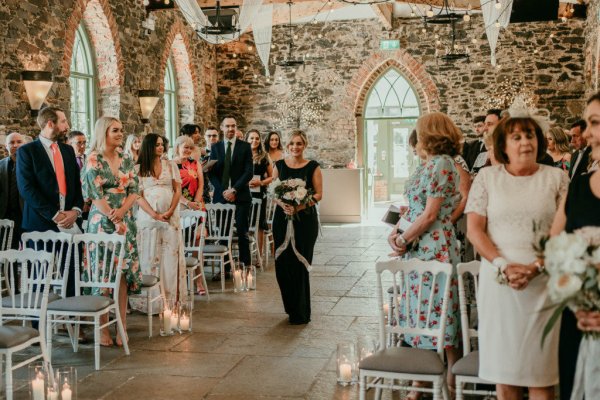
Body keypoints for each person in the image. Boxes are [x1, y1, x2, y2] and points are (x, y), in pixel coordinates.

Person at [465, 111, 569, 400]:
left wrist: (537, 266)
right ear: (503, 145)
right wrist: (503, 265)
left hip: (543, 283)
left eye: (530, 135)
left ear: (540, 141)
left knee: (541, 376)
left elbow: (562, 230)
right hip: (499, 282)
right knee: (505, 376)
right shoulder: (487, 178)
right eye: (517, 137)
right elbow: (475, 230)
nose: (525, 142)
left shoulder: (557, 178)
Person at [387, 112, 462, 395]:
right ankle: (421, 379)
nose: (416, 138)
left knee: (440, 311)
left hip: (435, 248)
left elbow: (431, 214)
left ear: (430, 132)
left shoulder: (443, 163)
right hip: (419, 245)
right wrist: (397, 231)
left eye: (419, 131)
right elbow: (416, 209)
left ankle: (453, 382)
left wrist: (405, 238)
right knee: (421, 312)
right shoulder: (426, 165)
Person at [549, 93, 600, 400]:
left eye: (595, 123)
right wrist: (575, 297)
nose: (588, 131)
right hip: (577, 321)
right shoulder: (579, 186)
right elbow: (554, 246)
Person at [82, 116, 141, 346]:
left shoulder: (126, 158)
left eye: (121, 130)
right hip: (101, 221)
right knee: (102, 274)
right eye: (115, 130)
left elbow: (134, 189)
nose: (120, 134)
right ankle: (103, 328)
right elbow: (94, 194)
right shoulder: (93, 159)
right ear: (103, 132)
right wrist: (111, 216)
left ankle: (122, 327)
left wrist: (121, 213)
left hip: (125, 220)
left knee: (123, 274)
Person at [17, 107, 84, 297]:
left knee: (72, 275)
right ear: (50, 123)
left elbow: (76, 186)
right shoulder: (27, 152)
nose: (67, 126)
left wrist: (75, 211)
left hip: (70, 222)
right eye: (63, 121)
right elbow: (27, 189)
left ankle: (72, 320)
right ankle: (39, 325)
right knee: (39, 279)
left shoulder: (68, 150)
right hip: (39, 224)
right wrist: (55, 215)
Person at [131, 133, 187, 312]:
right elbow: (137, 195)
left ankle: (170, 300)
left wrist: (170, 211)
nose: (161, 148)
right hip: (148, 219)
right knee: (150, 256)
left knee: (169, 256)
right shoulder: (138, 168)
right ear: (148, 147)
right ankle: (151, 302)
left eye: (162, 144)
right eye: (157, 145)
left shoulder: (170, 165)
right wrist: (154, 214)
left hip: (170, 217)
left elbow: (178, 190)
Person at [272, 130, 322, 325]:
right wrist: (282, 203)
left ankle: (301, 312)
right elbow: (274, 192)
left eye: (299, 143)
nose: (295, 147)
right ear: (287, 145)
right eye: (292, 143)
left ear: (305, 145)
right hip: (281, 219)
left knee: (300, 265)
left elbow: (318, 194)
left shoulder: (313, 167)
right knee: (283, 264)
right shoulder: (279, 166)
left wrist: (300, 205)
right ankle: (290, 306)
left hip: (305, 221)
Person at [208, 116, 253, 270]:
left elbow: (249, 172)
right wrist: (223, 191)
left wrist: (234, 190)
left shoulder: (245, 147)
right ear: (222, 128)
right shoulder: (216, 147)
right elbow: (211, 173)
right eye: (227, 126)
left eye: (233, 126)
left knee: (242, 233)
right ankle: (225, 268)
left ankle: (246, 266)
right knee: (223, 233)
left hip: (240, 196)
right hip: (221, 196)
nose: (231, 129)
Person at [246, 129, 273, 265]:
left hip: (259, 193)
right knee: (245, 223)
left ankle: (259, 256)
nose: (254, 141)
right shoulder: (242, 155)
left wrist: (261, 182)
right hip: (244, 193)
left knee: (258, 224)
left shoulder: (264, 156)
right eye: (251, 138)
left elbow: (272, 176)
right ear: (247, 139)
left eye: (257, 138)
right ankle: (245, 256)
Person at [0, 132, 25, 249]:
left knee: (29, 253)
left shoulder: (31, 165)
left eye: (19, 142)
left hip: (25, 215)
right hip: (5, 215)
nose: (15, 145)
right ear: (6, 146)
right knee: (7, 253)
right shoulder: (0, 165)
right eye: (11, 142)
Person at [463, 109, 502, 174]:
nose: (484, 128)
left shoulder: (505, 146)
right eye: (475, 127)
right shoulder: (471, 145)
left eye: (489, 124)